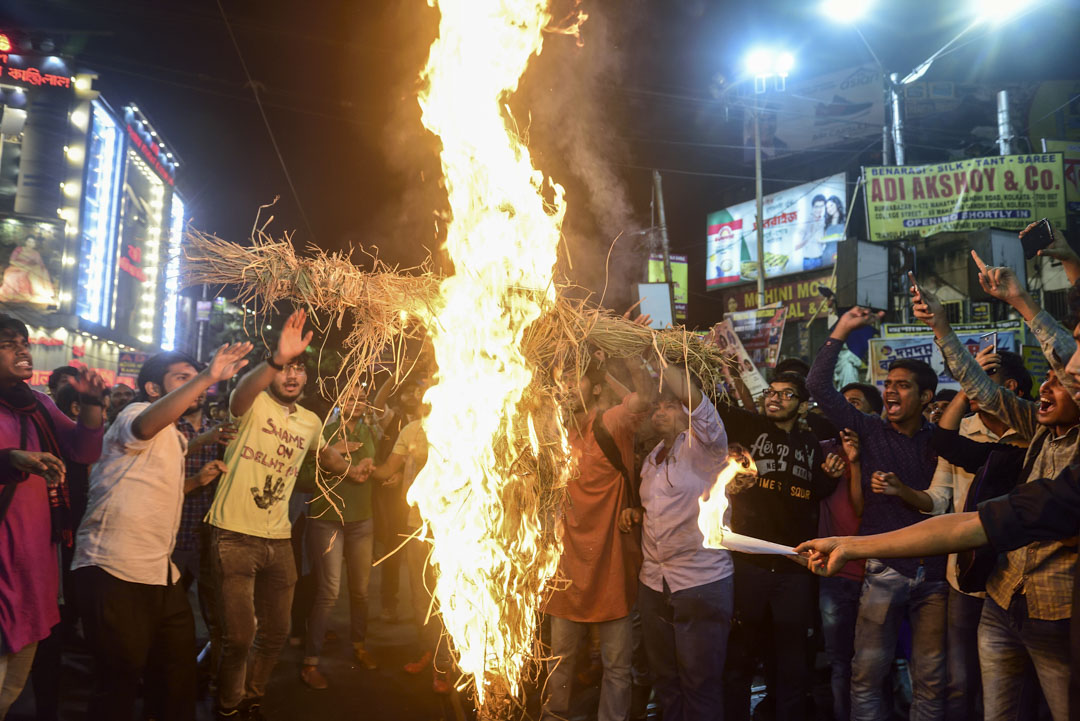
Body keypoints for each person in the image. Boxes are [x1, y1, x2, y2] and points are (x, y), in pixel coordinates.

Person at [910, 271, 1079, 721]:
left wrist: (1022, 301)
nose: (1047, 387)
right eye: (1045, 380)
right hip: (1003, 598)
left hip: (1056, 609)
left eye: (1060, 383)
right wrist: (941, 326)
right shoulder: (1033, 428)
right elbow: (980, 390)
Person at [205, 310, 371, 720]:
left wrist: (353, 469)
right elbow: (240, 393)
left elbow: (327, 457)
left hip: (279, 539)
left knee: (276, 632)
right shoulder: (252, 404)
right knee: (241, 636)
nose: (292, 376)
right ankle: (227, 704)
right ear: (273, 372)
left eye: (299, 369)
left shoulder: (311, 421)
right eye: (285, 370)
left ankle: (252, 697)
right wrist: (276, 358)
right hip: (232, 535)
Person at [72, 344, 250, 721]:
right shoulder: (135, 414)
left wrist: (198, 473)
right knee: (118, 684)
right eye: (181, 378)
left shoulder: (174, 434)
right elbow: (146, 425)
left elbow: (159, 485)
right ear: (153, 389)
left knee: (175, 677)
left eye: (195, 379)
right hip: (113, 568)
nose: (196, 387)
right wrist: (206, 376)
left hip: (158, 573)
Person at [806, 306, 947, 721]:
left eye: (903, 386)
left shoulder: (941, 441)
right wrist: (843, 329)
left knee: (932, 680)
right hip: (884, 570)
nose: (890, 392)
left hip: (936, 574)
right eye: (887, 384)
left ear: (925, 398)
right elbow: (817, 384)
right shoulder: (869, 429)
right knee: (866, 675)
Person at [718, 371, 842, 721]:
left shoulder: (810, 440)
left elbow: (812, 492)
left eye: (786, 395)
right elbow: (706, 404)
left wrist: (829, 478)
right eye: (771, 392)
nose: (775, 399)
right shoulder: (750, 427)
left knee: (791, 662)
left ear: (802, 404)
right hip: (748, 564)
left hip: (794, 567)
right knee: (739, 656)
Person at [540, 347, 655, 721]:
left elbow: (645, 397)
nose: (567, 386)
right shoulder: (548, 434)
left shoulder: (612, 424)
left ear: (595, 388)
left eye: (576, 378)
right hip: (564, 572)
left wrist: (633, 354)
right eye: (561, 379)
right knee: (558, 663)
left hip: (611, 569)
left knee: (617, 668)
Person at [0, 318, 105, 719]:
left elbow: (82, 449)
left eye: (24, 342)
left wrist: (93, 405)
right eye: (9, 344)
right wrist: (11, 459)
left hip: (34, 559)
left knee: (13, 682)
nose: (23, 349)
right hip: (3, 552)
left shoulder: (39, 404)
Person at [637, 364, 731, 721]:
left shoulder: (706, 445)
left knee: (700, 683)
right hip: (653, 582)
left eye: (669, 405)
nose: (659, 412)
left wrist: (657, 355)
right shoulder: (653, 457)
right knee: (666, 680)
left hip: (700, 583)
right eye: (655, 408)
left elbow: (693, 396)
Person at [300, 384, 380, 689]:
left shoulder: (370, 432)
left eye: (362, 399)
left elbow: (373, 467)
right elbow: (305, 474)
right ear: (338, 401)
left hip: (362, 520)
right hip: (327, 520)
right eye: (350, 398)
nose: (357, 403)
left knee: (361, 590)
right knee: (328, 591)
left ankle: (360, 645)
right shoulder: (323, 431)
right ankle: (310, 662)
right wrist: (337, 458)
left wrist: (371, 467)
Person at [173, 390, 235, 688]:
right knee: (164, 616)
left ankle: (209, 677)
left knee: (219, 618)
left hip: (208, 536)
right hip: (171, 536)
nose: (194, 393)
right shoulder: (167, 428)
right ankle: (162, 680)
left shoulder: (220, 430)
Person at [817, 427, 864, 721]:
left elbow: (860, 508)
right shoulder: (822, 449)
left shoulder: (876, 449)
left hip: (874, 569)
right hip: (834, 571)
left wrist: (855, 462)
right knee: (839, 661)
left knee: (872, 661)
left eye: (856, 405)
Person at [374, 379, 424, 623]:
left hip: (441, 512)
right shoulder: (397, 420)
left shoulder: (451, 422)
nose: (415, 391)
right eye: (411, 388)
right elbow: (376, 407)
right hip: (402, 505)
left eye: (419, 388)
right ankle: (389, 603)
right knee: (396, 554)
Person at [797, 194, 827, 271]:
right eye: (817, 207)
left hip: (820, 259)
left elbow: (824, 242)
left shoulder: (824, 221)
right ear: (812, 207)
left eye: (822, 206)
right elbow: (797, 246)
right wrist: (809, 235)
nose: (819, 209)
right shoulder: (806, 222)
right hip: (808, 260)